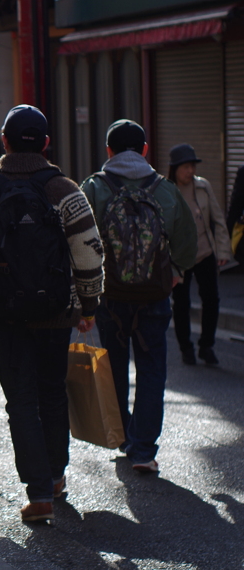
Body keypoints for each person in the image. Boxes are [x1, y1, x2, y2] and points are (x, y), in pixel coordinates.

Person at [0, 105, 103, 523]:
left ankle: (38, 495)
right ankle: (54, 478)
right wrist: (87, 303)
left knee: (20, 400)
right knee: (53, 392)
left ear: (4, 142)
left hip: (7, 314)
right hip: (56, 311)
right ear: (46, 143)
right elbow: (88, 251)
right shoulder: (64, 189)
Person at [81, 119, 197, 476]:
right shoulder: (164, 190)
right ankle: (144, 449)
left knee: (114, 366)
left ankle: (123, 436)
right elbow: (188, 244)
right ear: (146, 150)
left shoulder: (95, 188)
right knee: (151, 369)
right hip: (153, 296)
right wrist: (174, 273)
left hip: (110, 295)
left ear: (108, 151)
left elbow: (78, 242)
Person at [167, 144, 232, 365]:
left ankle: (207, 345)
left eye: (192, 166)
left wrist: (223, 250)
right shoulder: (167, 190)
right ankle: (186, 347)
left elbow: (218, 220)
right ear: (175, 168)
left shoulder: (203, 186)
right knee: (181, 302)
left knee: (211, 299)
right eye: (186, 166)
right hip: (179, 257)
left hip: (205, 252)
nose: (190, 171)